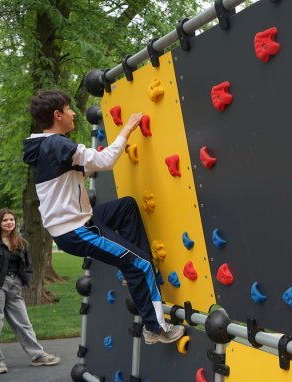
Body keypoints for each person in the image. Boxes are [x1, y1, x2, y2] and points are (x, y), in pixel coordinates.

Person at [23, 89, 184, 344]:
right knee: (140, 264)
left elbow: (80, 171)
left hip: (77, 221)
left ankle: (134, 271)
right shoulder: (58, 144)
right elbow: (106, 160)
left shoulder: (45, 148)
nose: (73, 113)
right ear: (57, 115)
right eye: (68, 109)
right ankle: (155, 329)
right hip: (76, 229)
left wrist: (109, 151)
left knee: (127, 207)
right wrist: (127, 129)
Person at [0, 209, 61, 374]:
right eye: (5, 220)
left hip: (15, 287)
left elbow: (28, 266)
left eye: (11, 219)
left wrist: (22, 280)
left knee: (24, 324)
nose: (9, 222)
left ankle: (37, 356)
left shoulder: (21, 243)